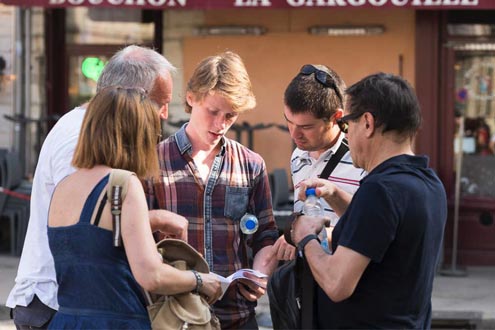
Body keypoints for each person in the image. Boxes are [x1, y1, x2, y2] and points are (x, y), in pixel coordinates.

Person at [7, 45, 188, 329]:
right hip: (60, 303)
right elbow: (85, 224)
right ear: (130, 96)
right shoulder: (78, 138)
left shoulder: (81, 130)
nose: (164, 114)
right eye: (159, 102)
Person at [46, 86, 222, 329]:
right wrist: (200, 280)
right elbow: (152, 275)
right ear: (137, 136)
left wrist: (153, 219)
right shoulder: (122, 184)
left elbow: (92, 242)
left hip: (66, 321)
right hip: (117, 322)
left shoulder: (63, 186)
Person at [292, 73, 447, 329]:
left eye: (346, 125)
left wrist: (306, 238)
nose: (346, 135)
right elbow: (381, 231)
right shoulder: (428, 183)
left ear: (367, 123)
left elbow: (336, 284)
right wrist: (336, 194)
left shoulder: (380, 190)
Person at [145, 51, 279, 329]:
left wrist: (259, 276)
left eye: (230, 115)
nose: (220, 124)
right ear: (191, 98)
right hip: (176, 315)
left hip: (237, 315)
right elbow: (136, 237)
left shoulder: (251, 165)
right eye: (213, 111)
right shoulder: (153, 161)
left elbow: (266, 235)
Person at [272, 64, 365, 260]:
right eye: (289, 121)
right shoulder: (298, 155)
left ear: (336, 117)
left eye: (306, 127)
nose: (294, 134)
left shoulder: (363, 159)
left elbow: (371, 226)